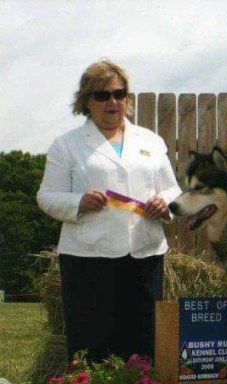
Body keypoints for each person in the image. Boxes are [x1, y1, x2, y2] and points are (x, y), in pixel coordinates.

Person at [37, 59, 181, 362]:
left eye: (119, 93)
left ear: (126, 98)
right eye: (102, 95)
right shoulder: (67, 145)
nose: (112, 102)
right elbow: (47, 197)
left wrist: (164, 202)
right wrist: (78, 202)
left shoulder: (151, 141)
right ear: (87, 102)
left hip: (144, 255)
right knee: (92, 341)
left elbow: (173, 189)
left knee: (143, 338)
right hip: (88, 259)